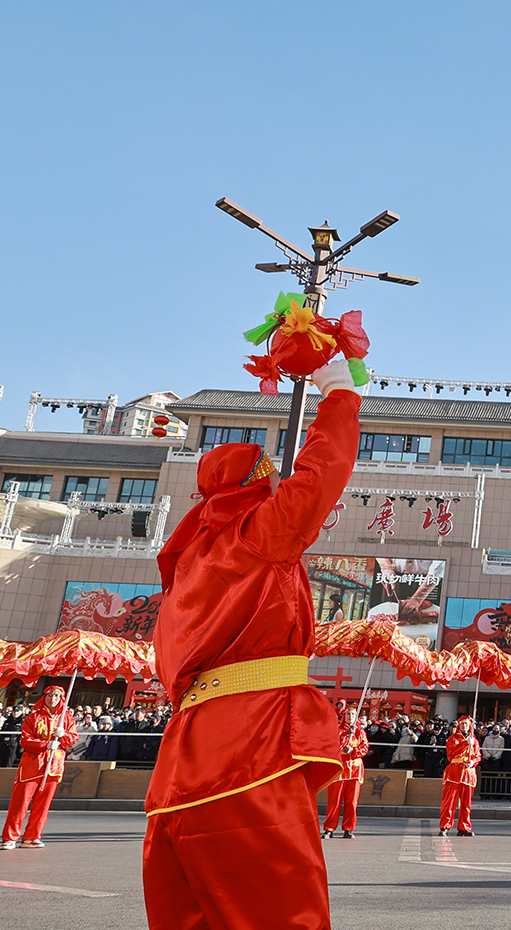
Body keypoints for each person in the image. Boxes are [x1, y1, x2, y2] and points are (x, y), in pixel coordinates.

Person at [140, 359, 359, 929]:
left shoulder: (186, 568)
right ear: (258, 487)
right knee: (285, 912)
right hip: (248, 751)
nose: (278, 490)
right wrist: (338, 391)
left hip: (182, 766)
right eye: (270, 483)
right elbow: (323, 471)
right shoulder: (258, 536)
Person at [0, 686, 78, 849]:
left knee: (43, 805)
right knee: (20, 804)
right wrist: (46, 744)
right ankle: (10, 838)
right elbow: (25, 741)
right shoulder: (33, 718)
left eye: (56, 696)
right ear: (44, 697)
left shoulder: (67, 719)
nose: (53, 699)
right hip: (32, 766)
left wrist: (63, 735)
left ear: (61, 699)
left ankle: (32, 836)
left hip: (53, 766)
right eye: (49, 695)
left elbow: (72, 739)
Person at [323, 707, 369, 839]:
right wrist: (345, 736)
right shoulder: (337, 730)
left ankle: (349, 828)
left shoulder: (360, 732)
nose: (350, 716)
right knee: (334, 801)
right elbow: (331, 746)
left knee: (352, 802)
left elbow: (364, 747)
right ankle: (329, 828)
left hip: (354, 770)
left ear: (356, 717)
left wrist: (353, 751)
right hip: (339, 770)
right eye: (347, 714)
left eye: (353, 714)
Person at [440, 716, 479, 837]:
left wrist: (473, 762)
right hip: (454, 773)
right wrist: (464, 744)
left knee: (466, 804)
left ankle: (464, 827)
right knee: (449, 802)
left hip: (468, 773)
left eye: (466, 724)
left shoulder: (475, 741)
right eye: (462, 724)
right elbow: (451, 755)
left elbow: (478, 756)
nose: (464, 726)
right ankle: (445, 826)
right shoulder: (453, 739)